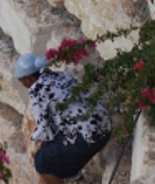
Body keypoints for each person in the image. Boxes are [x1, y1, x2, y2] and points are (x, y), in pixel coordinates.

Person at [15, 53, 112, 184]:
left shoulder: (37, 90)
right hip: (105, 126)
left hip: (88, 138)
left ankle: (71, 177)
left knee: (42, 162)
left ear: (29, 78)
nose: (23, 85)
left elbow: (44, 129)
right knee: (57, 148)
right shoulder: (61, 75)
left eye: (22, 82)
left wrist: (37, 147)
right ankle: (75, 177)